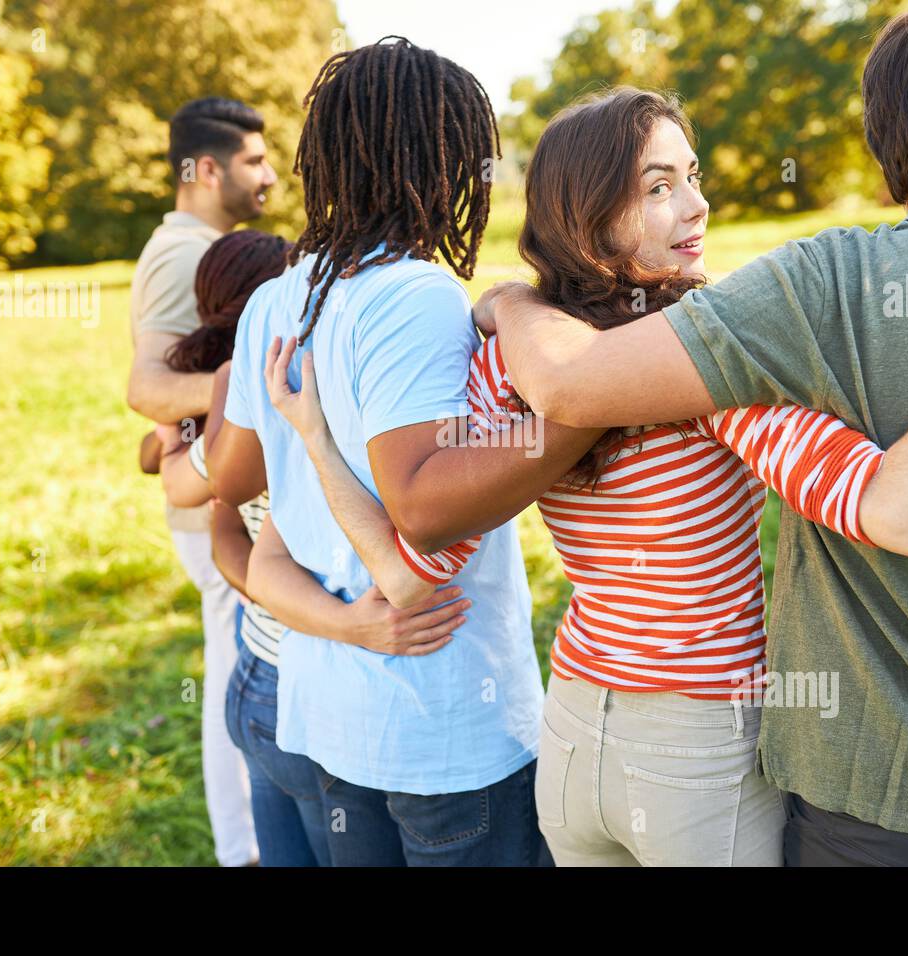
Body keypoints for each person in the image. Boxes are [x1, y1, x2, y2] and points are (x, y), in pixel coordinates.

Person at [264, 86, 908, 866]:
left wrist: (316, 439)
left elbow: (402, 575)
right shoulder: (713, 376)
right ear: (590, 214)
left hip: (572, 740)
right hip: (695, 752)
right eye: (658, 187)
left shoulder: (503, 367)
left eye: (694, 176)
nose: (699, 204)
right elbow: (882, 504)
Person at [477, 0, 908, 865]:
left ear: (881, 139)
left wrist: (511, 297)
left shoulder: (818, 285)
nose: (696, 207)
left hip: (870, 808)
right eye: (661, 185)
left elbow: (563, 388)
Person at [206, 37, 598, 866]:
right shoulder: (415, 292)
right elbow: (422, 506)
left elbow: (235, 477)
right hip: (444, 727)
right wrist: (579, 413)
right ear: (438, 162)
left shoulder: (279, 297)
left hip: (333, 712)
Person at [157, 230, 469, 865]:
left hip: (262, 664)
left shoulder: (235, 387)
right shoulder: (273, 384)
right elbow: (227, 502)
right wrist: (349, 623)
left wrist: (191, 463)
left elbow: (216, 511)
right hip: (296, 674)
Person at [126, 96, 276, 867]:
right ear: (206, 168)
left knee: (245, 667)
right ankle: (244, 848)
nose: (270, 175)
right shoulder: (182, 251)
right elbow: (148, 386)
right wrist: (247, 392)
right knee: (239, 675)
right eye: (254, 160)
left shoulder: (202, 245)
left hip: (213, 486)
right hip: (212, 506)